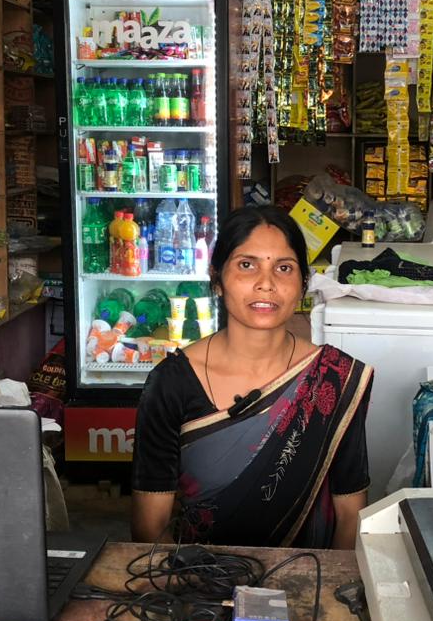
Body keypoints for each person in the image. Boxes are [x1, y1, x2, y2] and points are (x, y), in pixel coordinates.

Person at [131, 205, 373, 549]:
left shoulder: (334, 379)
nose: (266, 284)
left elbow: (351, 515)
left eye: (284, 268)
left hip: (310, 576)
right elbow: (150, 527)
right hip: (198, 576)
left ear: (303, 284)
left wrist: (323, 582)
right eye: (247, 265)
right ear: (217, 279)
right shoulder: (171, 383)